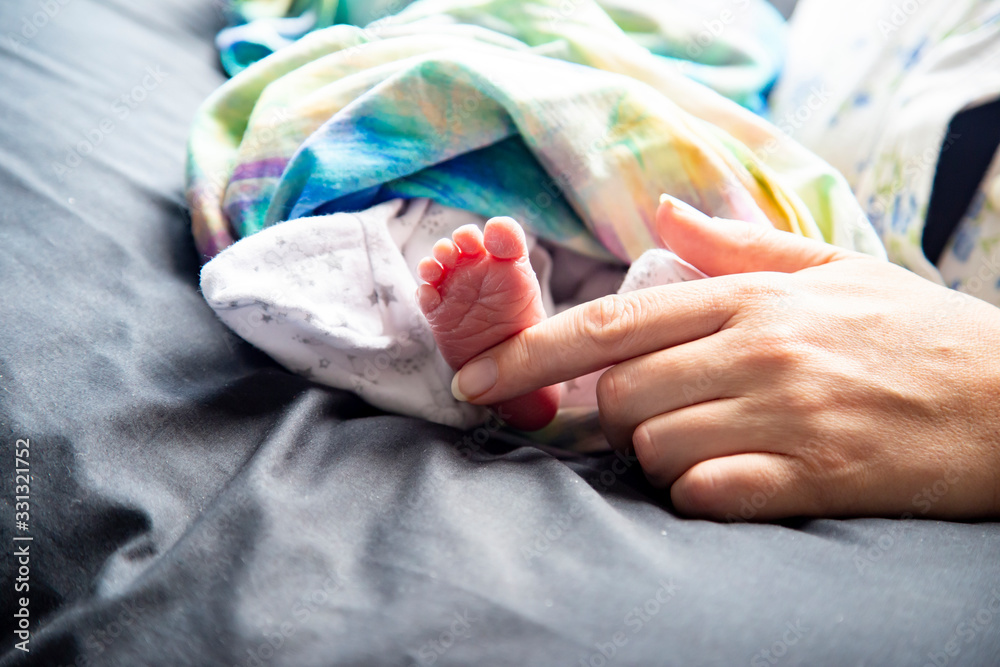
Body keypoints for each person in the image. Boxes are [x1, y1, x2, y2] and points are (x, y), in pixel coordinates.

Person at [418, 195, 1000, 521]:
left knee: (663, 298)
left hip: (782, 334)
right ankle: (533, 356)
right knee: (644, 284)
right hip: (766, 309)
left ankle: (540, 377)